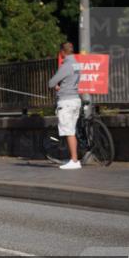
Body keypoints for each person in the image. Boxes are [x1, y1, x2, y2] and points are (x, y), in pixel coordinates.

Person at [48, 41, 83, 170]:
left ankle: (74, 160)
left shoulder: (66, 65)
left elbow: (52, 83)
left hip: (66, 101)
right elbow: (72, 80)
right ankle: (74, 159)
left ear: (62, 52)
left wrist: (56, 86)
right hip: (75, 99)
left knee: (69, 131)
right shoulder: (76, 64)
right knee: (72, 130)